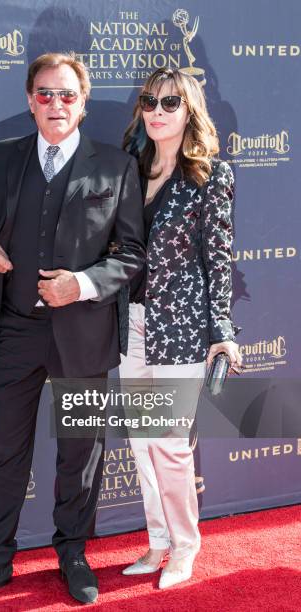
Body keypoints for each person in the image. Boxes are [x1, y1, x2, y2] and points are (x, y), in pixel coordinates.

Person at [0, 52, 145, 604]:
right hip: (14, 331)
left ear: (83, 103)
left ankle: (74, 554)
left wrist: (77, 284)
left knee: (82, 452)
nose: (56, 104)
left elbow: (130, 255)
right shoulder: (0, 159)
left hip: (83, 332)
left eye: (67, 95)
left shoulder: (116, 166)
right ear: (30, 99)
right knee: (5, 450)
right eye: (44, 93)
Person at [120, 68, 242, 589]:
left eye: (170, 103)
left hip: (183, 328)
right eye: (150, 101)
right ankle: (158, 543)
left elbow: (218, 260)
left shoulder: (211, 176)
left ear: (189, 110)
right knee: (143, 442)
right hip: (130, 324)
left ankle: (184, 548)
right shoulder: (128, 167)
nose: (157, 111)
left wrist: (223, 329)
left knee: (170, 444)